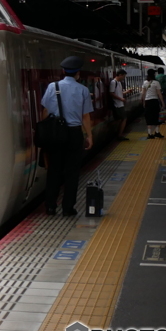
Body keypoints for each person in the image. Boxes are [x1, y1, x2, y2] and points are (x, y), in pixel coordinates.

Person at [40, 55, 94, 216]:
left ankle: (50, 206)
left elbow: (45, 111)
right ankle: (68, 208)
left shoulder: (52, 87)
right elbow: (85, 116)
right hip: (74, 133)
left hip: (56, 134)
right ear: (78, 73)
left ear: (63, 71)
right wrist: (89, 136)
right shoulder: (83, 90)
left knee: (54, 170)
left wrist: (46, 133)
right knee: (72, 172)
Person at [141, 69, 164, 139]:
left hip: (148, 101)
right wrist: (163, 102)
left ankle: (149, 133)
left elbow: (143, 93)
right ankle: (157, 132)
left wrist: (143, 102)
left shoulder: (145, 82)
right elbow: (159, 93)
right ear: (154, 74)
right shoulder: (156, 83)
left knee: (148, 117)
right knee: (156, 116)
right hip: (155, 101)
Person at [110, 68, 128, 140]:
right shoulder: (113, 82)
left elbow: (119, 93)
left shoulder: (119, 83)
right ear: (120, 75)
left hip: (120, 104)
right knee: (123, 119)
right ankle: (119, 135)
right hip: (117, 104)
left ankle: (118, 133)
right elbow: (111, 93)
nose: (124, 78)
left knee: (120, 119)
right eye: (123, 76)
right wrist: (121, 99)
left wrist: (126, 92)